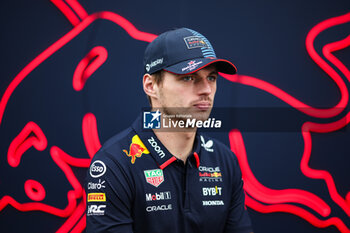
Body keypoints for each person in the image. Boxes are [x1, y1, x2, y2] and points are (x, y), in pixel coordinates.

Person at [85, 28, 253, 233]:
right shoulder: (114, 165)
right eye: (189, 77)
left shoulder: (224, 160)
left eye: (212, 78)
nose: (206, 90)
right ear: (151, 85)